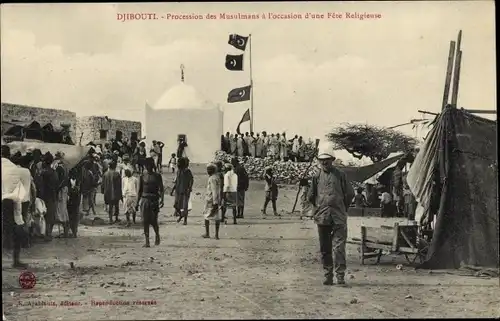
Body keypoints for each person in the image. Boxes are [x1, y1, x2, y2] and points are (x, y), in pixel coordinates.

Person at [308, 143, 354, 286]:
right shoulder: (316, 177)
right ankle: (328, 274)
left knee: (339, 247)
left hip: (338, 217)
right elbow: (311, 195)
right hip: (322, 217)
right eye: (322, 160)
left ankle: (340, 275)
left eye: (327, 159)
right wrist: (317, 207)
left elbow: (350, 194)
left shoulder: (340, 175)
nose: (324, 162)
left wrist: (341, 207)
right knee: (325, 248)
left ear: (332, 159)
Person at [136, 158, 164, 247]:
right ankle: (147, 241)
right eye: (146, 165)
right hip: (144, 200)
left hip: (154, 200)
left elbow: (162, 189)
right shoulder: (142, 176)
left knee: (154, 221)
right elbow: (139, 191)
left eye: (149, 165)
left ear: (152, 165)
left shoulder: (157, 176)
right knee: (145, 221)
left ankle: (157, 235)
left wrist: (162, 200)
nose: (148, 167)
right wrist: (137, 203)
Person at [37, 152, 59, 240]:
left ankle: (45, 233)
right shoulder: (54, 173)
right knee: (51, 215)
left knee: (44, 215)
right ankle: (49, 233)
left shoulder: (42, 173)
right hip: (52, 196)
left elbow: (39, 185)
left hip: (44, 196)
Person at [202, 163, 222, 239]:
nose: (208, 171)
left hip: (211, 199)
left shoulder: (212, 178)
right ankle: (216, 235)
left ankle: (207, 233)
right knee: (216, 217)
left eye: (209, 169)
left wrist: (215, 202)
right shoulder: (216, 177)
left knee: (206, 216)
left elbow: (214, 190)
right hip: (214, 199)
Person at [171, 157, 193, 225]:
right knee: (176, 205)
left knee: (184, 206)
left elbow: (191, 180)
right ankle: (181, 215)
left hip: (185, 191)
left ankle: (185, 220)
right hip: (178, 190)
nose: (177, 164)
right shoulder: (178, 171)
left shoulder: (187, 171)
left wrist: (189, 188)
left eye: (178, 163)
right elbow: (177, 181)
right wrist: (173, 190)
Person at [53, 152, 70, 238]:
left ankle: (65, 232)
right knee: (64, 210)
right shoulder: (66, 166)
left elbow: (59, 180)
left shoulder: (59, 167)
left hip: (61, 190)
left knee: (61, 211)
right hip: (65, 189)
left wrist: (57, 189)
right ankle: (66, 231)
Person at [67, 167, 81, 238]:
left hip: (74, 202)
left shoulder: (76, 181)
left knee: (74, 217)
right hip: (72, 202)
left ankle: (74, 232)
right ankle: (73, 231)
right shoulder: (69, 181)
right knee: (72, 217)